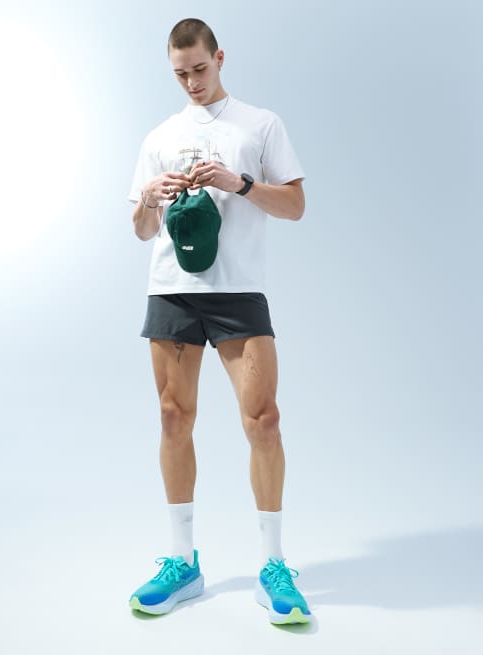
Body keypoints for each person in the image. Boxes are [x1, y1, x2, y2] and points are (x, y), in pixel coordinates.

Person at [127, 18, 310, 625]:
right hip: (173, 292)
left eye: (200, 69)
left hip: (238, 292)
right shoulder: (160, 136)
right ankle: (183, 562)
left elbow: (296, 206)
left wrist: (241, 183)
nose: (192, 82)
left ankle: (273, 565)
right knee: (173, 417)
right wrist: (150, 198)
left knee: (264, 420)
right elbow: (141, 231)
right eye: (180, 74)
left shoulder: (260, 125)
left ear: (220, 57)